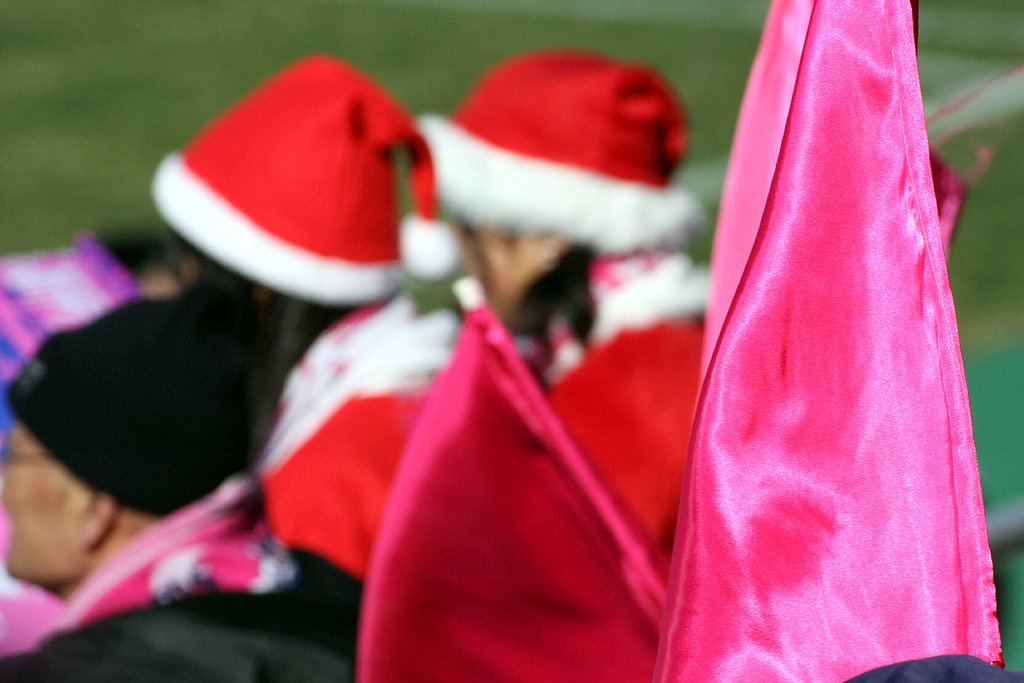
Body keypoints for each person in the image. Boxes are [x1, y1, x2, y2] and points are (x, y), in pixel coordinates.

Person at [152, 55, 458, 582]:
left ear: (260, 292)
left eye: (188, 270)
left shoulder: (324, 485)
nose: (177, 297)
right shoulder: (409, 385)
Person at [416, 49, 708, 551]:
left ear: (546, 242)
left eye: (470, 228)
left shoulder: (629, 400)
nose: (459, 253)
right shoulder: (623, 352)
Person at [0, 285, 355, 681]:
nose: (3, 487)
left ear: (96, 511)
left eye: (14, 457)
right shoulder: (330, 597)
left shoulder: (96, 671)